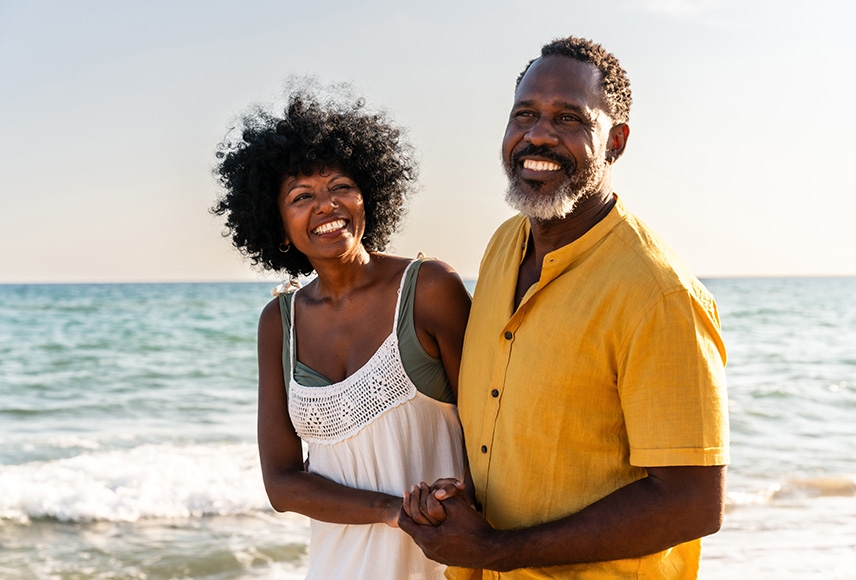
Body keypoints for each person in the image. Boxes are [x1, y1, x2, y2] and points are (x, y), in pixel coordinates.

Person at [398, 36, 730, 580]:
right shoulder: (505, 244)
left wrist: (497, 550)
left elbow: (692, 503)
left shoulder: (660, 295)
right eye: (524, 114)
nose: (538, 135)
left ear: (616, 142)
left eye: (570, 119)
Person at [212, 86, 471, 580]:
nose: (327, 205)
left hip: (442, 567)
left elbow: (492, 436)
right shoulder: (279, 324)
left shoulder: (429, 288)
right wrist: (392, 509)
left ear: (367, 194)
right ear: (279, 225)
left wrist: (472, 525)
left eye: (341, 186)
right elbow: (283, 484)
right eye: (301, 197)